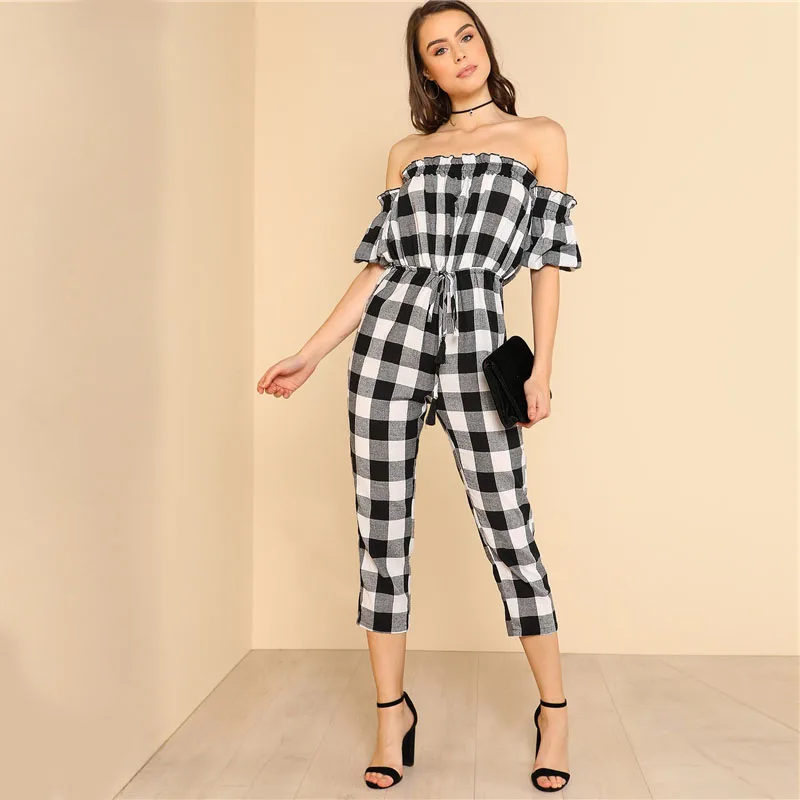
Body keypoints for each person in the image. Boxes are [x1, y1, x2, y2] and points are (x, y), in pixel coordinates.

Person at [257, 0, 582, 792]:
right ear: (426, 70)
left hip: (479, 346)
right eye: (439, 48)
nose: (459, 53)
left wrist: (541, 367)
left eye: (466, 36)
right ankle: (389, 715)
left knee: (510, 531)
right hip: (389, 346)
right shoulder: (408, 152)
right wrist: (310, 353)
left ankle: (555, 713)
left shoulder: (540, 137)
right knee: (382, 536)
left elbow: (547, 262)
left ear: (484, 44)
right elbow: (380, 268)